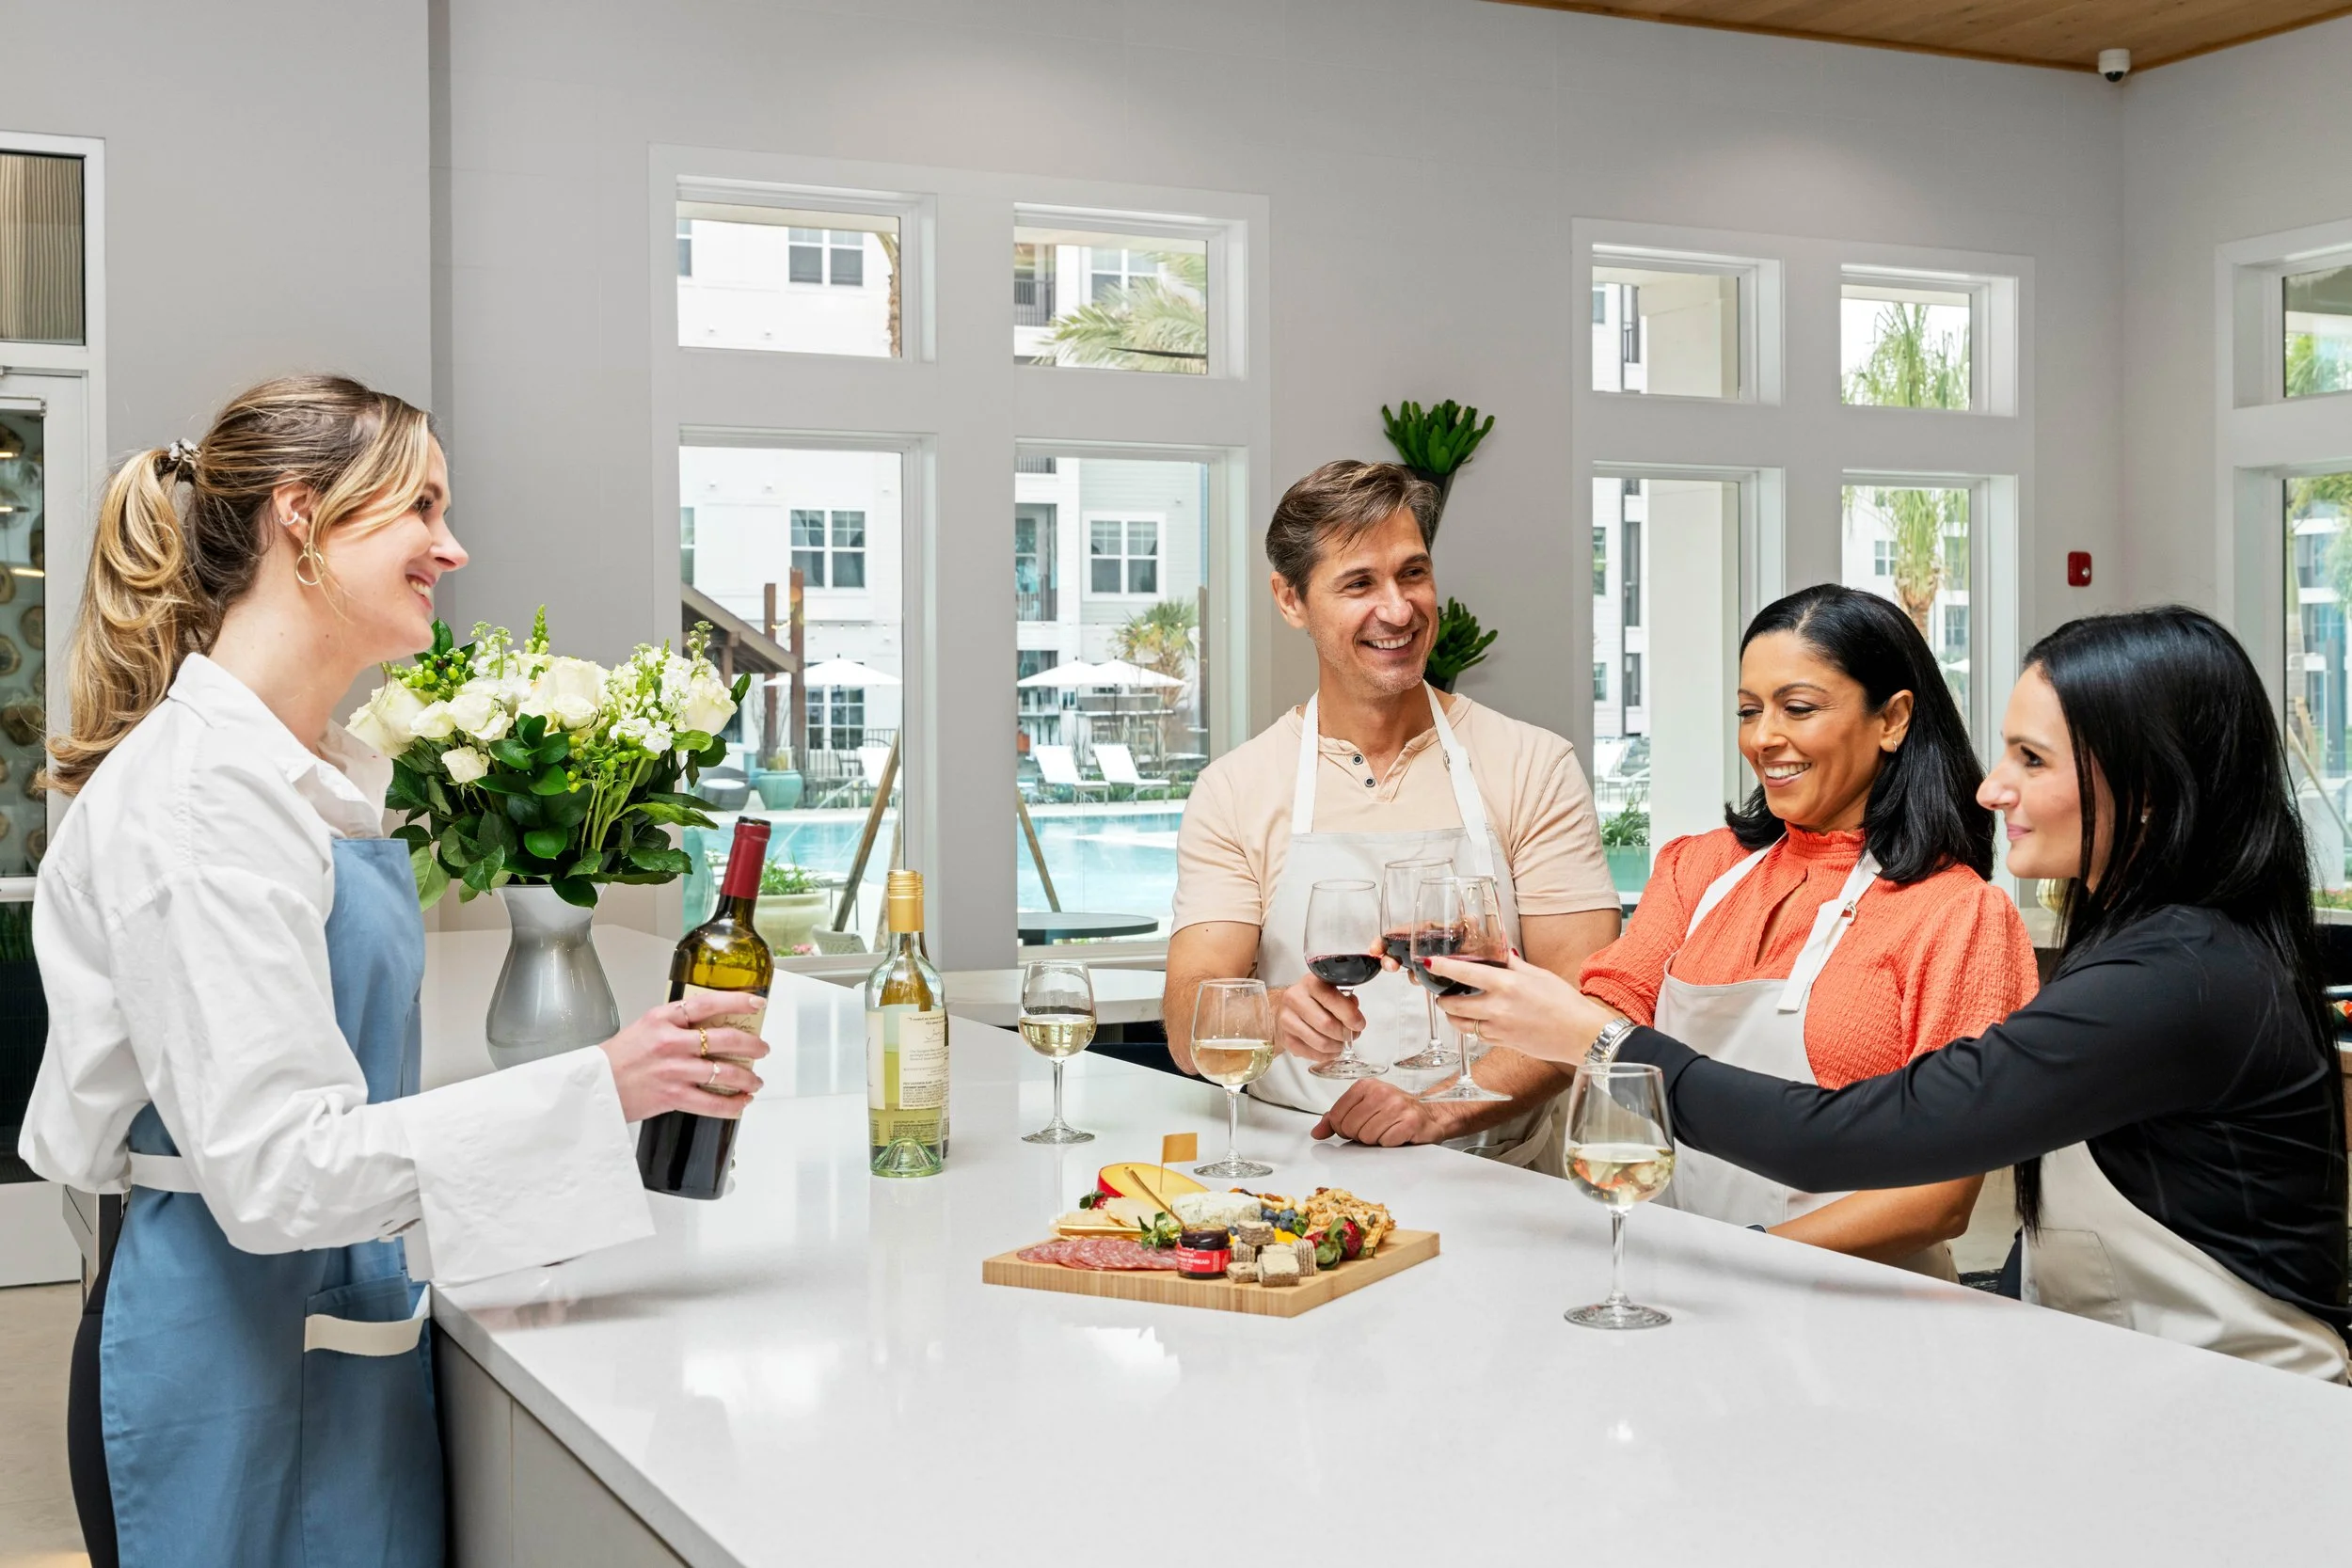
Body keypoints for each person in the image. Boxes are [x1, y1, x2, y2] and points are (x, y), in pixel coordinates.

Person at [21, 375, 773, 1568]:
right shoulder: (203, 802)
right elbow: (272, 1167)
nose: (453, 544)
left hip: (320, 1310)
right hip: (221, 1348)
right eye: (422, 506)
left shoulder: (311, 770)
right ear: (301, 517)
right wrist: (604, 1086)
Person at [1435, 606, 2351, 1378]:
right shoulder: (2164, 940)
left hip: (2241, 1399)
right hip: (2132, 1370)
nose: (1995, 787)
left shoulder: (2176, 977)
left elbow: (1868, 1135)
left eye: (2032, 759)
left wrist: (1607, 1045)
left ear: (2147, 790)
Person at [1565, 586, 2037, 1275]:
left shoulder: (1957, 914)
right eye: (1749, 711)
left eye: (1798, 708)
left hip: (1861, 1306)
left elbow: (1938, 1196)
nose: (1762, 738)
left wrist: (1740, 1257)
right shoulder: (1699, 867)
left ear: (1894, 718)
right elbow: (1602, 1017)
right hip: (1678, 1276)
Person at [1163, 460, 1621, 1164]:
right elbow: (1184, 1017)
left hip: (1502, 1177)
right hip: (1297, 1173)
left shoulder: (1533, 765)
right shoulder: (1236, 788)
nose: (1400, 610)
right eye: (1359, 583)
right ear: (1290, 599)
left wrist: (1436, 1107)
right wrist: (1267, 1013)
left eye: (1413, 573)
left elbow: (1589, 1006)